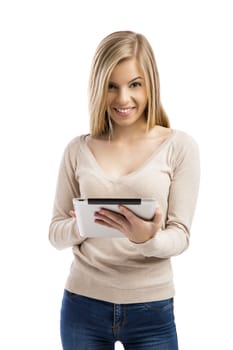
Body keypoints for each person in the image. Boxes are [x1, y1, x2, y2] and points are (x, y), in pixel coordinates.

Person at [49, 30, 200, 350]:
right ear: (98, 88)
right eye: (111, 86)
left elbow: (181, 235)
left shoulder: (179, 147)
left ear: (151, 85)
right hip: (82, 305)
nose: (122, 99)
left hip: (152, 309)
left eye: (134, 84)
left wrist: (148, 238)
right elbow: (54, 232)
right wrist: (81, 224)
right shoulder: (77, 150)